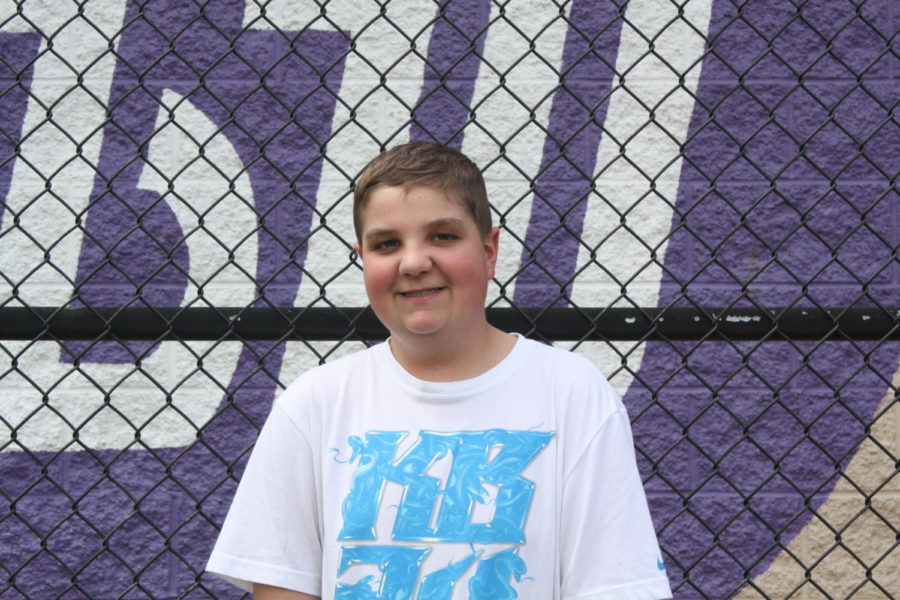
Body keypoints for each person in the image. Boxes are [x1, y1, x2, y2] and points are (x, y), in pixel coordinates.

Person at [207, 142, 672, 599]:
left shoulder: (571, 393)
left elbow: (614, 584)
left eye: (443, 236)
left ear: (489, 251)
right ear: (363, 258)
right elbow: (282, 585)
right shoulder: (314, 404)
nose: (413, 262)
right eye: (387, 244)